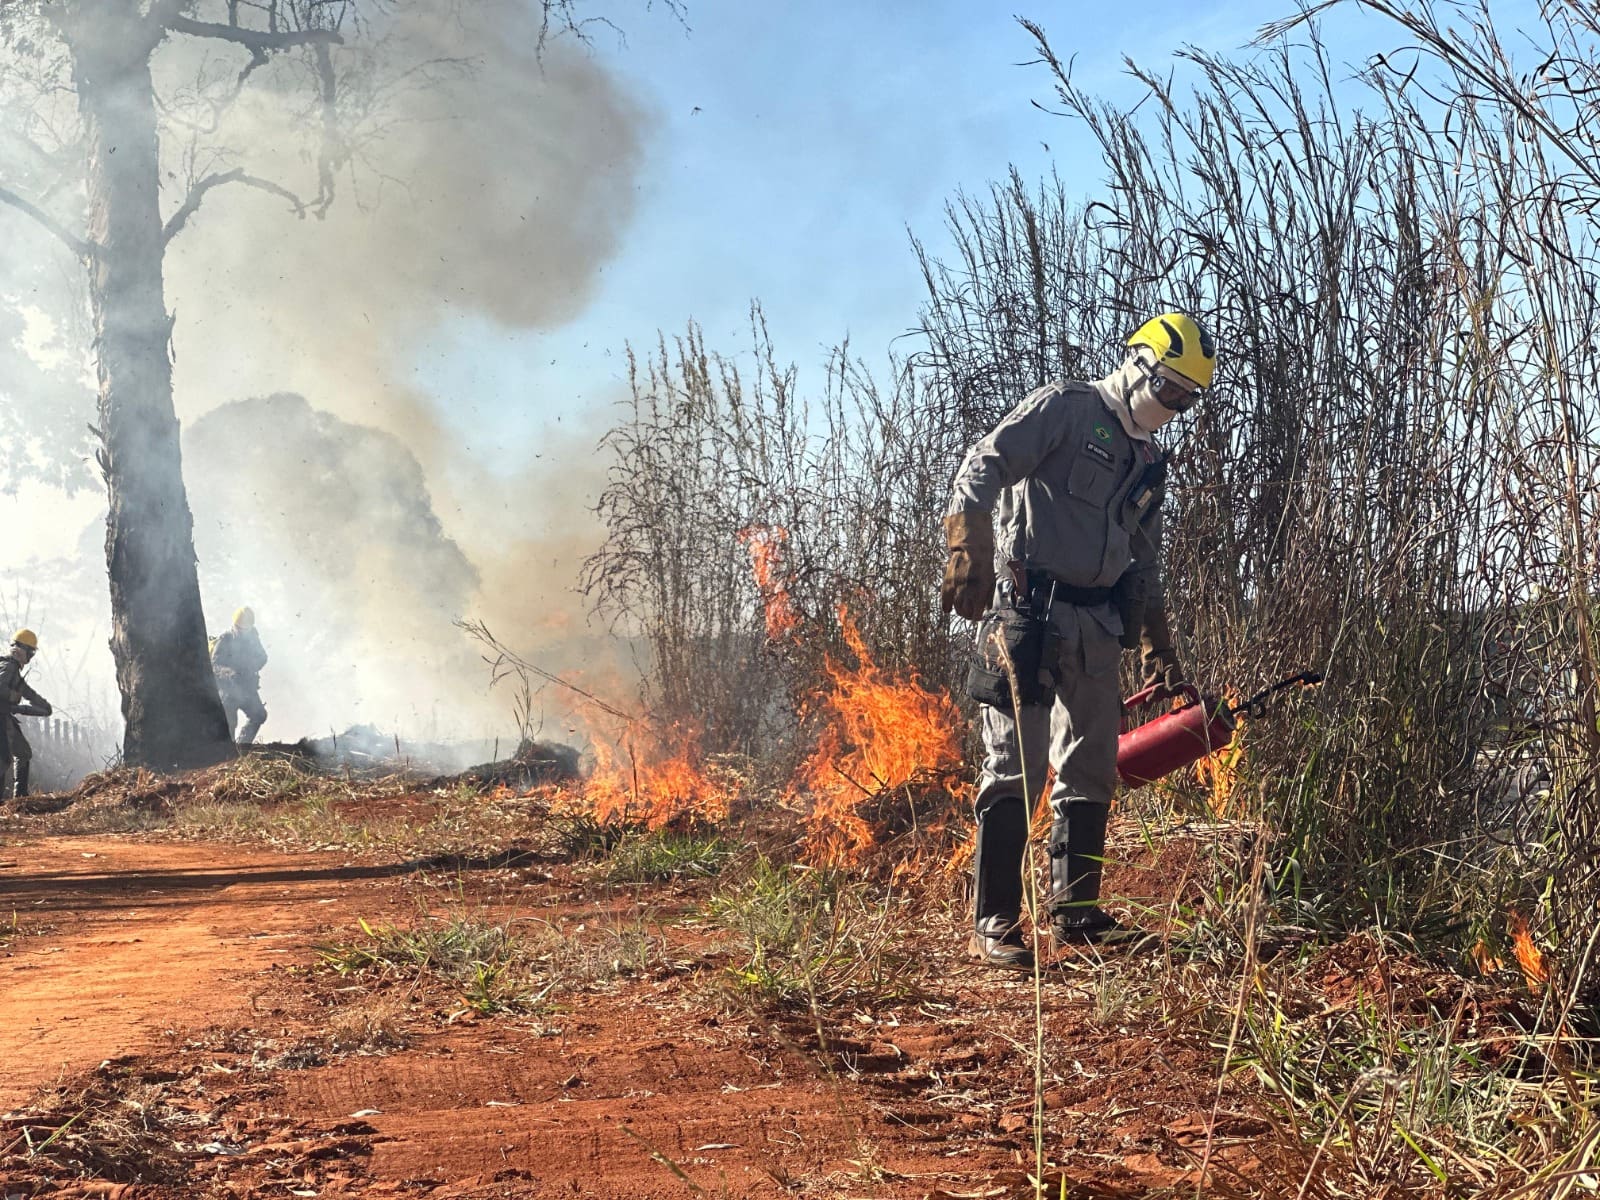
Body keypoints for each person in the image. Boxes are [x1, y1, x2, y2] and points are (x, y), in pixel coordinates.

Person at [941, 312, 1216, 969]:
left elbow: (1143, 552)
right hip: (1028, 614)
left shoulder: (1148, 458)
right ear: (1141, 365)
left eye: (1186, 398)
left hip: (1097, 628)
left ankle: (1076, 913)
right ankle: (997, 921)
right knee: (1017, 768)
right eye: (1169, 388)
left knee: (1091, 768)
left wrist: (1156, 640)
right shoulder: (1067, 410)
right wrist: (967, 545)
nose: (1172, 405)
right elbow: (982, 464)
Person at [0, 629, 52, 800]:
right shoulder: (8, 666)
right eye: (30, 652)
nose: (30, 657)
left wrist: (43, 706)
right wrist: (13, 697)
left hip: (6, 717)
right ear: (21, 650)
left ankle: (21, 798)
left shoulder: (12, 670)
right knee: (3, 761)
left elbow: (26, 691)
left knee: (23, 752)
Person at [212, 607, 269, 745]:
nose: (243, 631)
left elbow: (263, 657)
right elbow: (215, 664)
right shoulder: (226, 639)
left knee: (259, 715)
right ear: (235, 625)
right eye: (240, 628)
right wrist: (230, 673)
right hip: (228, 690)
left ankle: (243, 746)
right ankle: (228, 753)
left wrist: (251, 666)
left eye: (246, 628)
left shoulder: (254, 637)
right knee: (230, 723)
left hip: (247, 688)